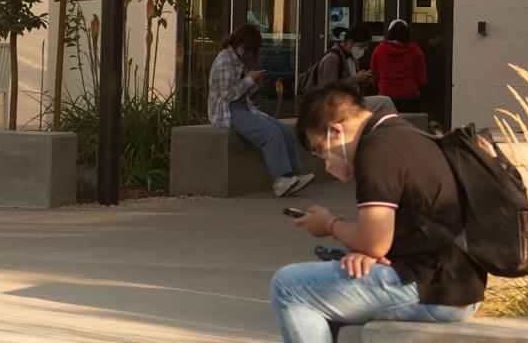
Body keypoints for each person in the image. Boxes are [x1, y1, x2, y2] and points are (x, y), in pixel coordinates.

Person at [269, 83, 484, 342]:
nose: (326, 163)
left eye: (321, 151)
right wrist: (370, 252)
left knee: (289, 286)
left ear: (335, 131)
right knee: (324, 284)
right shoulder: (401, 134)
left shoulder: (375, 152)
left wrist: (329, 224)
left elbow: (374, 242)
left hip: (433, 291)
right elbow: (398, 231)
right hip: (456, 285)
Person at [207, 23, 314, 198]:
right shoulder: (224, 61)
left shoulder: (238, 60)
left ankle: (294, 174)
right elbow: (227, 95)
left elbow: (243, 93)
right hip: (228, 111)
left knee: (285, 130)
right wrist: (248, 80)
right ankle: (280, 179)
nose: (252, 54)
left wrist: (253, 82)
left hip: (244, 107)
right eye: (252, 49)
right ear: (242, 44)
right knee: (270, 133)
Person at [370, 19, 427, 114]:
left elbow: (374, 79)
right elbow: (422, 81)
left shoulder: (379, 50)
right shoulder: (416, 51)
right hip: (410, 98)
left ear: (389, 33)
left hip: (386, 98)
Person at [315, 23, 374, 91]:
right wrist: (355, 78)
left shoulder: (353, 57)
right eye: (361, 46)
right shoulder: (332, 58)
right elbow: (329, 88)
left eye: (365, 47)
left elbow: (354, 85)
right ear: (350, 42)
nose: (362, 50)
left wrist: (364, 78)